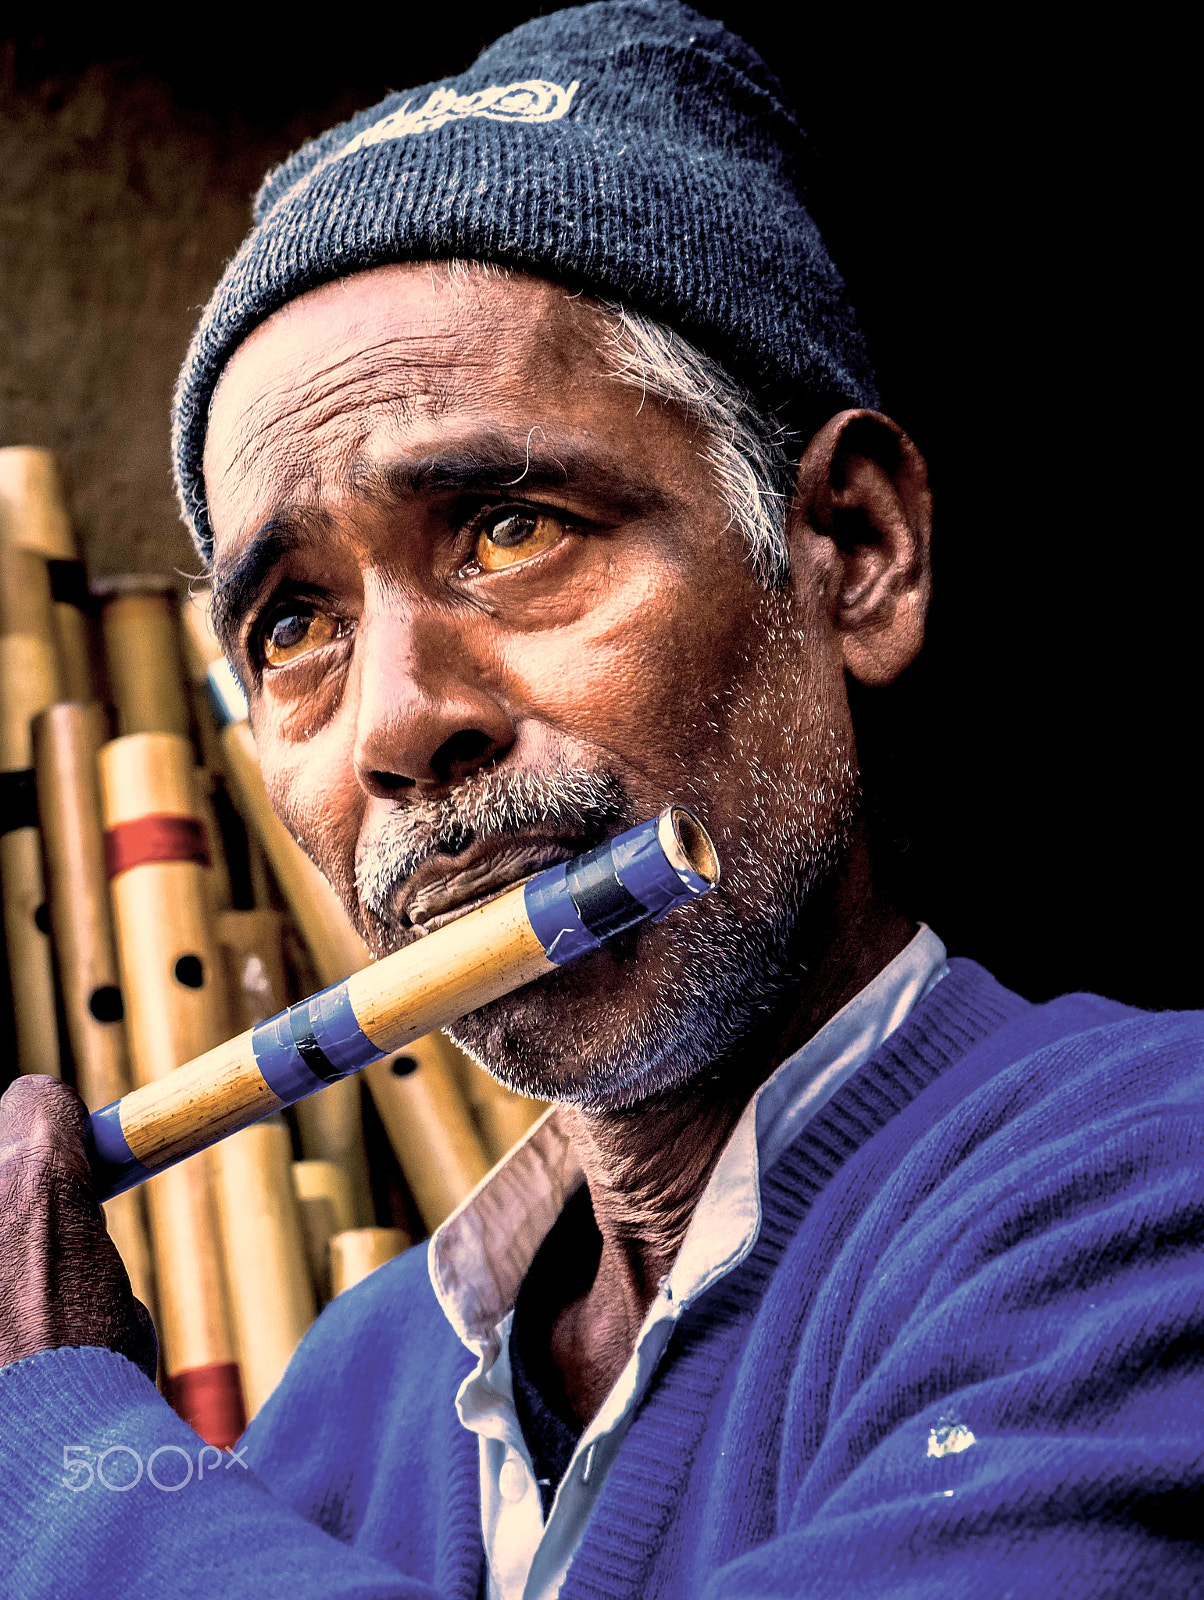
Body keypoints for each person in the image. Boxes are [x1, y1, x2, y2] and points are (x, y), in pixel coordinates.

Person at [0, 3, 1200, 1596]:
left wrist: (69, 1462)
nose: (398, 725)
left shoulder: (1150, 1172)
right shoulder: (338, 1413)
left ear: (851, 550)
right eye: (294, 625)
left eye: (509, 529)